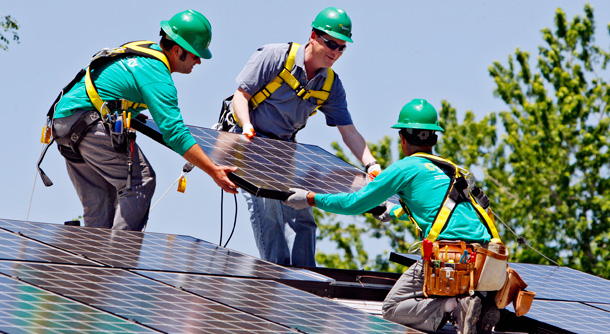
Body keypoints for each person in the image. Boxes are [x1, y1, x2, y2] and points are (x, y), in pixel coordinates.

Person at [284, 99, 502, 334]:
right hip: (486, 257)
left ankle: (454, 306)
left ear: (403, 139)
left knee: (392, 308)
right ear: (434, 138)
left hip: (451, 256)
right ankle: (479, 302)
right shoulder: (451, 169)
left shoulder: (404, 168)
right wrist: (393, 211)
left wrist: (311, 198)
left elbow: (354, 204)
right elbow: (442, 213)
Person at [50, 10, 238, 231]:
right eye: (196, 54)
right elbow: (174, 133)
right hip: (87, 123)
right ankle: (120, 258)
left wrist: (124, 109)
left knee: (102, 207)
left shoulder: (144, 53)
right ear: (177, 50)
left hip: (63, 124)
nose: (199, 61)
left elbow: (113, 85)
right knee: (140, 181)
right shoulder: (157, 75)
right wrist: (213, 170)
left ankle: (95, 263)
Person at [224, 7, 381, 266]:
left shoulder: (330, 85)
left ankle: (305, 279)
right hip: (251, 143)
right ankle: (277, 275)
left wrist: (371, 164)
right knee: (269, 211)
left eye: (342, 48)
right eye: (331, 43)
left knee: (301, 212)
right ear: (313, 36)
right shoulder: (274, 56)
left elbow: (349, 131)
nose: (335, 52)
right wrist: (247, 126)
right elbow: (241, 97)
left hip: (284, 149)